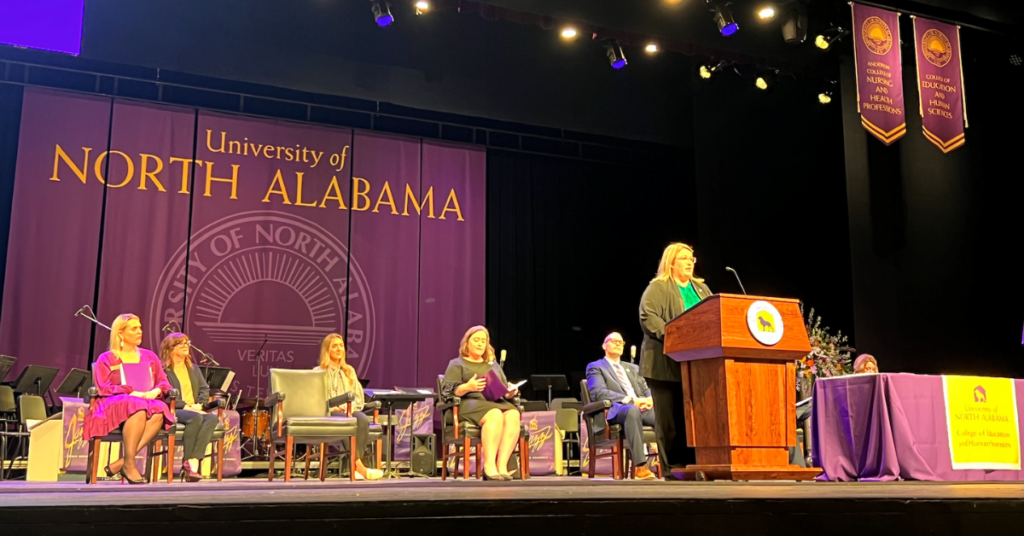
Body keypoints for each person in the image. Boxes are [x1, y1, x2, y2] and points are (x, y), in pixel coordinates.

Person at [638, 243, 711, 478]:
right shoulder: (658, 288)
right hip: (664, 364)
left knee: (693, 418)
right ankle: (672, 469)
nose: (690, 262)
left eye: (692, 258)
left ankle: (694, 465)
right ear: (671, 261)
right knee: (670, 420)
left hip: (697, 366)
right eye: (684, 258)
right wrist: (674, 338)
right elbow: (648, 316)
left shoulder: (701, 289)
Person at [84, 314, 174, 484]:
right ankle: (130, 464)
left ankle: (123, 462)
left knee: (160, 409)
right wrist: (129, 392)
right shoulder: (107, 358)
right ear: (120, 334)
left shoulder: (149, 356)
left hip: (145, 401)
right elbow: (103, 387)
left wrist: (155, 391)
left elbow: (163, 381)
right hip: (113, 403)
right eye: (134, 329)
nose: (140, 331)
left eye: (140, 327)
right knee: (137, 405)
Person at [441, 326, 521, 481]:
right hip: (468, 403)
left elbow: (503, 387)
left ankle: (502, 466)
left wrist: (510, 391)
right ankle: (489, 466)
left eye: (483, 341)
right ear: (467, 343)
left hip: (494, 401)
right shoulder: (457, 364)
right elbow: (447, 391)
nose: (480, 344)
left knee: (513, 414)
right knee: (495, 414)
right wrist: (467, 387)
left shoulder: (493, 365)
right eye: (476, 340)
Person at [586, 332, 658, 480]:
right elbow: (598, 393)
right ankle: (640, 467)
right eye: (613, 341)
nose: (618, 343)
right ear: (604, 345)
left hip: (642, 408)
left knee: (664, 415)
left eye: (621, 342)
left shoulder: (633, 368)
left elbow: (645, 388)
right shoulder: (596, 367)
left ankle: (671, 462)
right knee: (632, 410)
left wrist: (650, 399)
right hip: (616, 410)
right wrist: (630, 400)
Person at [314, 333, 383, 480]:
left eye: (341, 346)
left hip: (349, 410)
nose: (339, 349)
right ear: (327, 350)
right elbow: (316, 399)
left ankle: (354, 466)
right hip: (329, 413)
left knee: (362, 419)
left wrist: (350, 407)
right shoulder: (318, 372)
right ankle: (360, 468)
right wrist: (334, 407)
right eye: (334, 346)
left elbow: (359, 395)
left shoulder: (349, 370)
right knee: (348, 421)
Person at [161, 332, 218, 482]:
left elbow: (204, 388)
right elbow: (165, 395)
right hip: (174, 409)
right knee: (195, 418)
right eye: (180, 343)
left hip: (194, 409)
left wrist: (200, 403)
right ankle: (190, 464)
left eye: (187, 342)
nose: (186, 345)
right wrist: (185, 406)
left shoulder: (193, 368)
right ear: (170, 348)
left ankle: (193, 461)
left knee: (211, 418)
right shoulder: (163, 370)